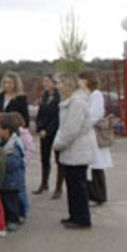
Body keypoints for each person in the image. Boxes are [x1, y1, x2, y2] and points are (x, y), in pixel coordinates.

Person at [53, 73, 93, 229]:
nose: (58, 87)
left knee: (77, 185)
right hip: (73, 149)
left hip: (77, 149)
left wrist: (58, 143)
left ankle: (81, 218)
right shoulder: (72, 101)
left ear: (68, 84)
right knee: (73, 184)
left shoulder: (76, 103)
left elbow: (71, 129)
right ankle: (75, 215)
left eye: (60, 83)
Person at [79, 70, 112, 207]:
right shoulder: (85, 95)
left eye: (80, 80)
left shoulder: (96, 95)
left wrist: (83, 125)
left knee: (95, 166)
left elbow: (95, 114)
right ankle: (92, 194)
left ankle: (98, 195)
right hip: (87, 134)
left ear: (86, 80)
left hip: (92, 134)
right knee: (90, 166)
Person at [34, 74, 61, 197]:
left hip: (55, 132)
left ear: (54, 83)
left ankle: (58, 187)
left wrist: (48, 130)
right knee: (44, 158)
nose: (45, 84)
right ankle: (44, 183)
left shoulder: (59, 98)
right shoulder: (44, 97)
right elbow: (40, 114)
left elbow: (57, 117)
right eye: (44, 81)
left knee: (58, 159)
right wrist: (39, 128)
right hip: (43, 132)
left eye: (47, 81)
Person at [0, 116, 25, 232]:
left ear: (7, 130)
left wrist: (0, 161)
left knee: (11, 201)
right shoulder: (1, 142)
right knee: (4, 199)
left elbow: (14, 163)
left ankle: (14, 220)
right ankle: (6, 219)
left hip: (12, 180)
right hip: (4, 179)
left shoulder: (14, 146)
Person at [9, 111, 34, 221]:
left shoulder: (23, 135)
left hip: (20, 164)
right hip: (19, 163)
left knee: (21, 188)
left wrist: (24, 161)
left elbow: (29, 149)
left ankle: (24, 208)